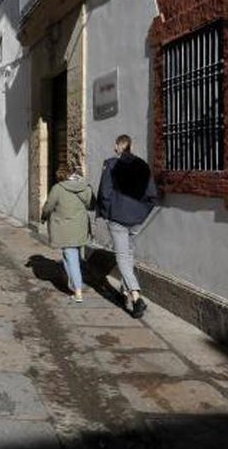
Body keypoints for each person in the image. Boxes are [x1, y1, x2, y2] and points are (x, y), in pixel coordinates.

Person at [96, 135, 158, 318]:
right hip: (137, 219)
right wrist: (142, 213)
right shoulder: (143, 165)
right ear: (131, 146)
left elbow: (105, 192)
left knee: (122, 257)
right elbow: (152, 195)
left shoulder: (111, 164)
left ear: (117, 147)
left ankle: (136, 297)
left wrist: (108, 213)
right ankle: (124, 292)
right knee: (129, 253)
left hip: (118, 219)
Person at [41, 165, 94, 303]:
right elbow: (91, 205)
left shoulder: (58, 189)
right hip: (80, 228)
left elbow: (49, 206)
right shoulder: (85, 187)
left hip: (64, 228)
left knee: (71, 257)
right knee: (69, 254)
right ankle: (74, 283)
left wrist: (44, 215)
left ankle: (78, 291)